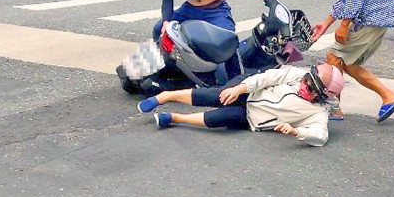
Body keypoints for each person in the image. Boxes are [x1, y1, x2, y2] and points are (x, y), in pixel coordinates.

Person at [135, 64, 345, 147]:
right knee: (217, 96)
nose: (304, 84)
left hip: (252, 118)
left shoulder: (318, 112)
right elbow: (268, 77)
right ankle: (165, 96)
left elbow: (320, 135)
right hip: (249, 91)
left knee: (218, 118)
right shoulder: (297, 74)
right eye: (307, 79)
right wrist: (240, 88)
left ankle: (174, 118)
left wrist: (296, 131)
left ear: (321, 95)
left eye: (311, 86)